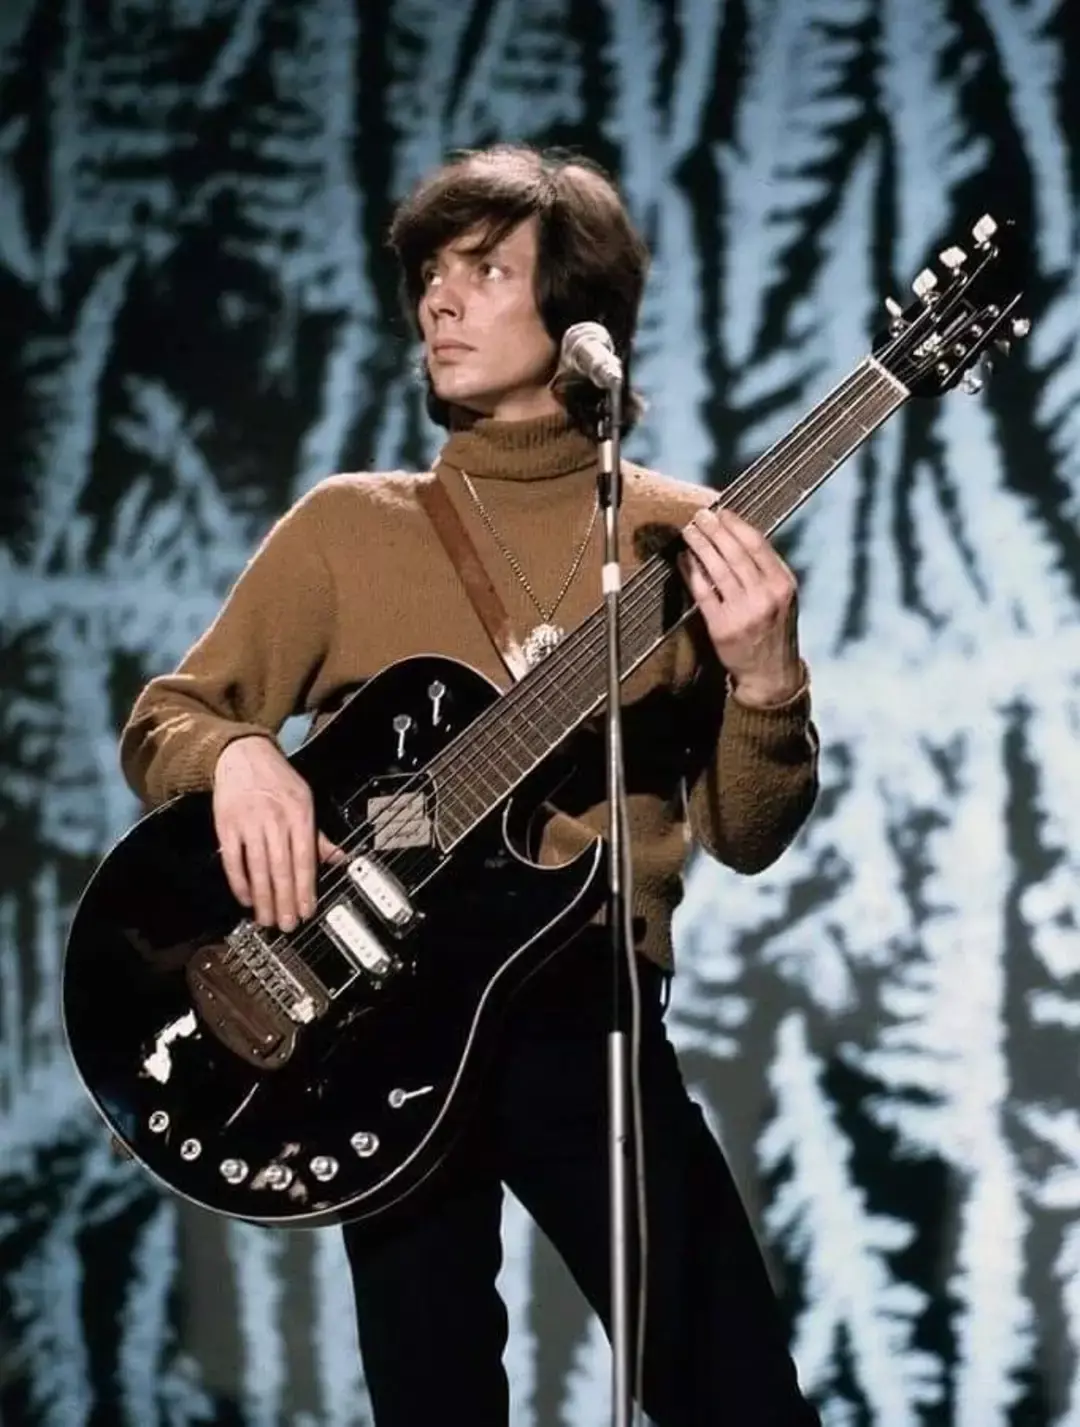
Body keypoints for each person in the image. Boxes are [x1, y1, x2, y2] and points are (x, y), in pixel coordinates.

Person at [120, 144, 822, 1426]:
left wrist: (769, 684)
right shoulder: (347, 527)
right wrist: (239, 757)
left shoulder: (688, 537)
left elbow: (747, 830)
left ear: (578, 310)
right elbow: (170, 716)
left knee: (736, 1397)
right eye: (430, 274)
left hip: (589, 1023)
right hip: (375, 1019)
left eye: (486, 270)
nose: (438, 299)